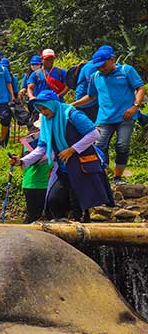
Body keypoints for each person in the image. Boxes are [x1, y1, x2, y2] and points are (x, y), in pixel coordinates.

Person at [10, 90, 112, 221]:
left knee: (79, 202)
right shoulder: (47, 123)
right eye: (40, 109)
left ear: (53, 104)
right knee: (54, 199)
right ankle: (62, 225)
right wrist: (21, 161)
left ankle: (81, 230)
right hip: (63, 168)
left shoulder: (72, 114)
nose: (43, 112)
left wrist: (72, 149)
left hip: (81, 166)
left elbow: (94, 134)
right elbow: (41, 149)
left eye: (44, 108)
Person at [73, 45, 145, 184]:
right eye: (98, 67)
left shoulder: (126, 70)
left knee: (122, 146)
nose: (101, 69)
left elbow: (140, 88)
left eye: (104, 65)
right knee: (99, 146)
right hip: (104, 118)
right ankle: (102, 176)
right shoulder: (96, 76)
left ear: (112, 60)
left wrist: (135, 107)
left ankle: (117, 177)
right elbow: (91, 96)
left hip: (126, 116)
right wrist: (73, 105)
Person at [19, 120, 52, 223]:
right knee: (32, 216)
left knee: (50, 215)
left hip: (47, 183)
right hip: (34, 184)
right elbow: (30, 159)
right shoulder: (32, 141)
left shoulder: (51, 139)